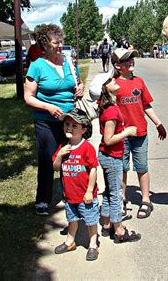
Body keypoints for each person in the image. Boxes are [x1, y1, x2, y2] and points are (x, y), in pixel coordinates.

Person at [24, 24, 84, 216]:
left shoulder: (69, 62)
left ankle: (71, 194)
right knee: (48, 160)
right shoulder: (37, 66)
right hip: (46, 121)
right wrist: (48, 107)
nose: (60, 46)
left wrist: (80, 88)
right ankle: (43, 199)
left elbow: (78, 83)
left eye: (61, 42)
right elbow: (28, 97)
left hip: (70, 120)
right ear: (45, 44)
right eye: (55, 43)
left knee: (71, 157)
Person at [111, 48, 167, 219]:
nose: (130, 62)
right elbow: (107, 109)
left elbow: (146, 105)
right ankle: (121, 200)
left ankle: (145, 200)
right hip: (121, 135)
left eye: (131, 59)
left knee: (142, 167)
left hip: (140, 133)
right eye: (126, 60)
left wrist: (158, 123)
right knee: (122, 168)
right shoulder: (112, 85)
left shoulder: (139, 82)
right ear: (117, 66)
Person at [88, 70, 142, 243]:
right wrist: (127, 132)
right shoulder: (111, 111)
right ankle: (118, 229)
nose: (114, 79)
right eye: (110, 80)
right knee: (117, 193)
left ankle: (106, 223)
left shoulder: (109, 107)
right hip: (112, 157)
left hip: (107, 156)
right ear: (105, 89)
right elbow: (108, 139)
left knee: (110, 192)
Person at [52, 109, 100, 261]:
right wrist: (60, 155)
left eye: (74, 125)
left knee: (90, 221)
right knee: (72, 219)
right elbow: (56, 168)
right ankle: (69, 242)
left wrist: (89, 191)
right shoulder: (62, 147)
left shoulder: (87, 148)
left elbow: (93, 170)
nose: (69, 128)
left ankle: (93, 244)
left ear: (84, 129)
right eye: (67, 124)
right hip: (69, 195)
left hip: (85, 195)